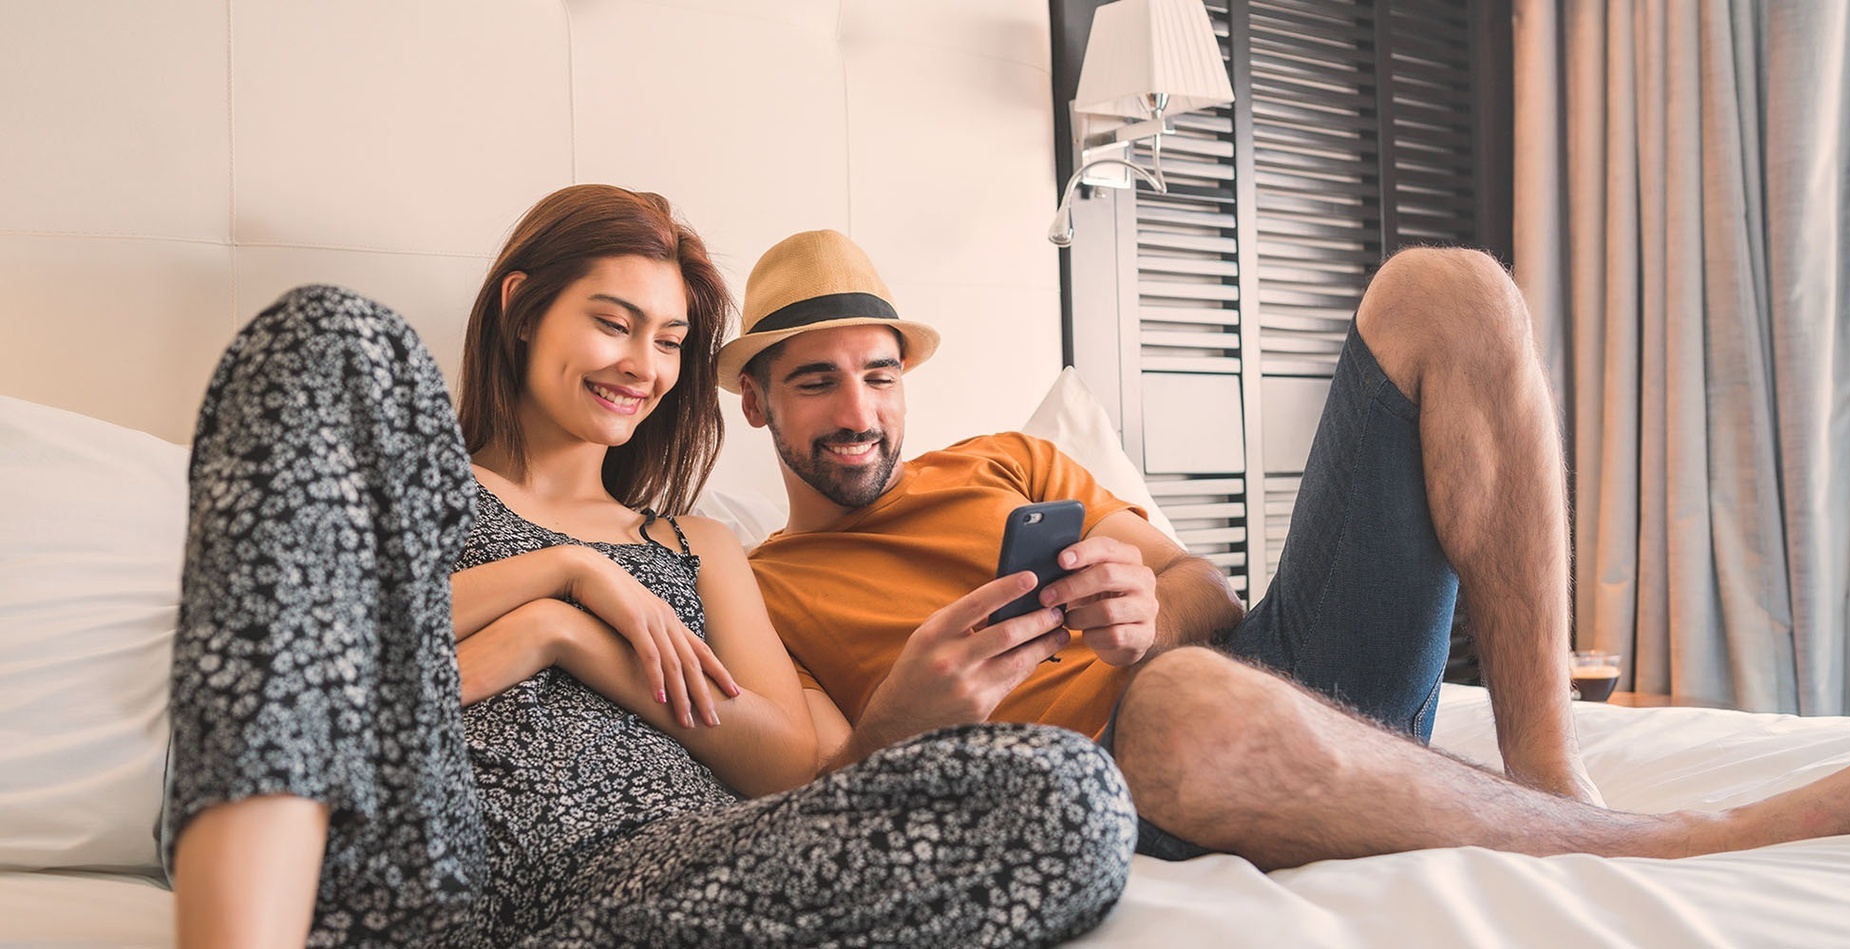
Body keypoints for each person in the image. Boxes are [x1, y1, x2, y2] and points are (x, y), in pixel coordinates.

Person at [729, 228, 1850, 871]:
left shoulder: (1001, 463)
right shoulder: (759, 592)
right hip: (1129, 786)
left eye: (878, 374)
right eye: (816, 380)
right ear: (756, 405)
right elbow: (808, 797)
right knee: (1184, 699)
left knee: (1448, 291)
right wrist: (915, 716)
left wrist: (1146, 605)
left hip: (1273, 681)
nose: (858, 409)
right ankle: (1680, 841)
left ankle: (1550, 777)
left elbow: (1206, 591)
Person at [163, 186, 1135, 948]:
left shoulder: (696, 543)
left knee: (1070, 791)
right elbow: (309, 668)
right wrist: (562, 576)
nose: (644, 364)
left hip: (669, 877)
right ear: (522, 307)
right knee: (329, 332)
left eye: (669, 341)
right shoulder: (416, 487)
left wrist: (574, 639)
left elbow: (790, 765)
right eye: (615, 322)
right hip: (436, 862)